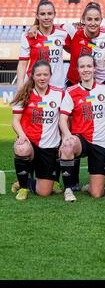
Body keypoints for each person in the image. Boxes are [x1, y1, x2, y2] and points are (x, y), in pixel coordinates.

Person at [59, 54, 105, 202]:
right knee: (67, 145)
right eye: (82, 66)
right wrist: (66, 135)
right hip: (81, 139)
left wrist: (103, 122)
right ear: (77, 69)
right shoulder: (71, 91)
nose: (86, 70)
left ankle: (91, 185)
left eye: (89, 66)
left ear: (94, 68)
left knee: (97, 193)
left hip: (100, 142)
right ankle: (68, 189)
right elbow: (63, 118)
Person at [11, 61, 64, 200]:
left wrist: (64, 139)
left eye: (45, 74)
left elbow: (64, 120)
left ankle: (26, 182)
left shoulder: (59, 94)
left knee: (44, 192)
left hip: (49, 146)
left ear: (50, 76)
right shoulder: (23, 93)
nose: (42, 78)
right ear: (32, 76)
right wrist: (22, 136)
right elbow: (15, 121)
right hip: (30, 143)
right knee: (22, 148)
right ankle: (23, 188)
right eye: (38, 74)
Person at [17, 0, 69, 90]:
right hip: (33, 87)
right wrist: (20, 87)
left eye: (49, 13)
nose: (46, 17)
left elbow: (75, 49)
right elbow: (22, 64)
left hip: (57, 88)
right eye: (42, 14)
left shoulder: (63, 34)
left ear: (54, 14)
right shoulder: (28, 36)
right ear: (37, 16)